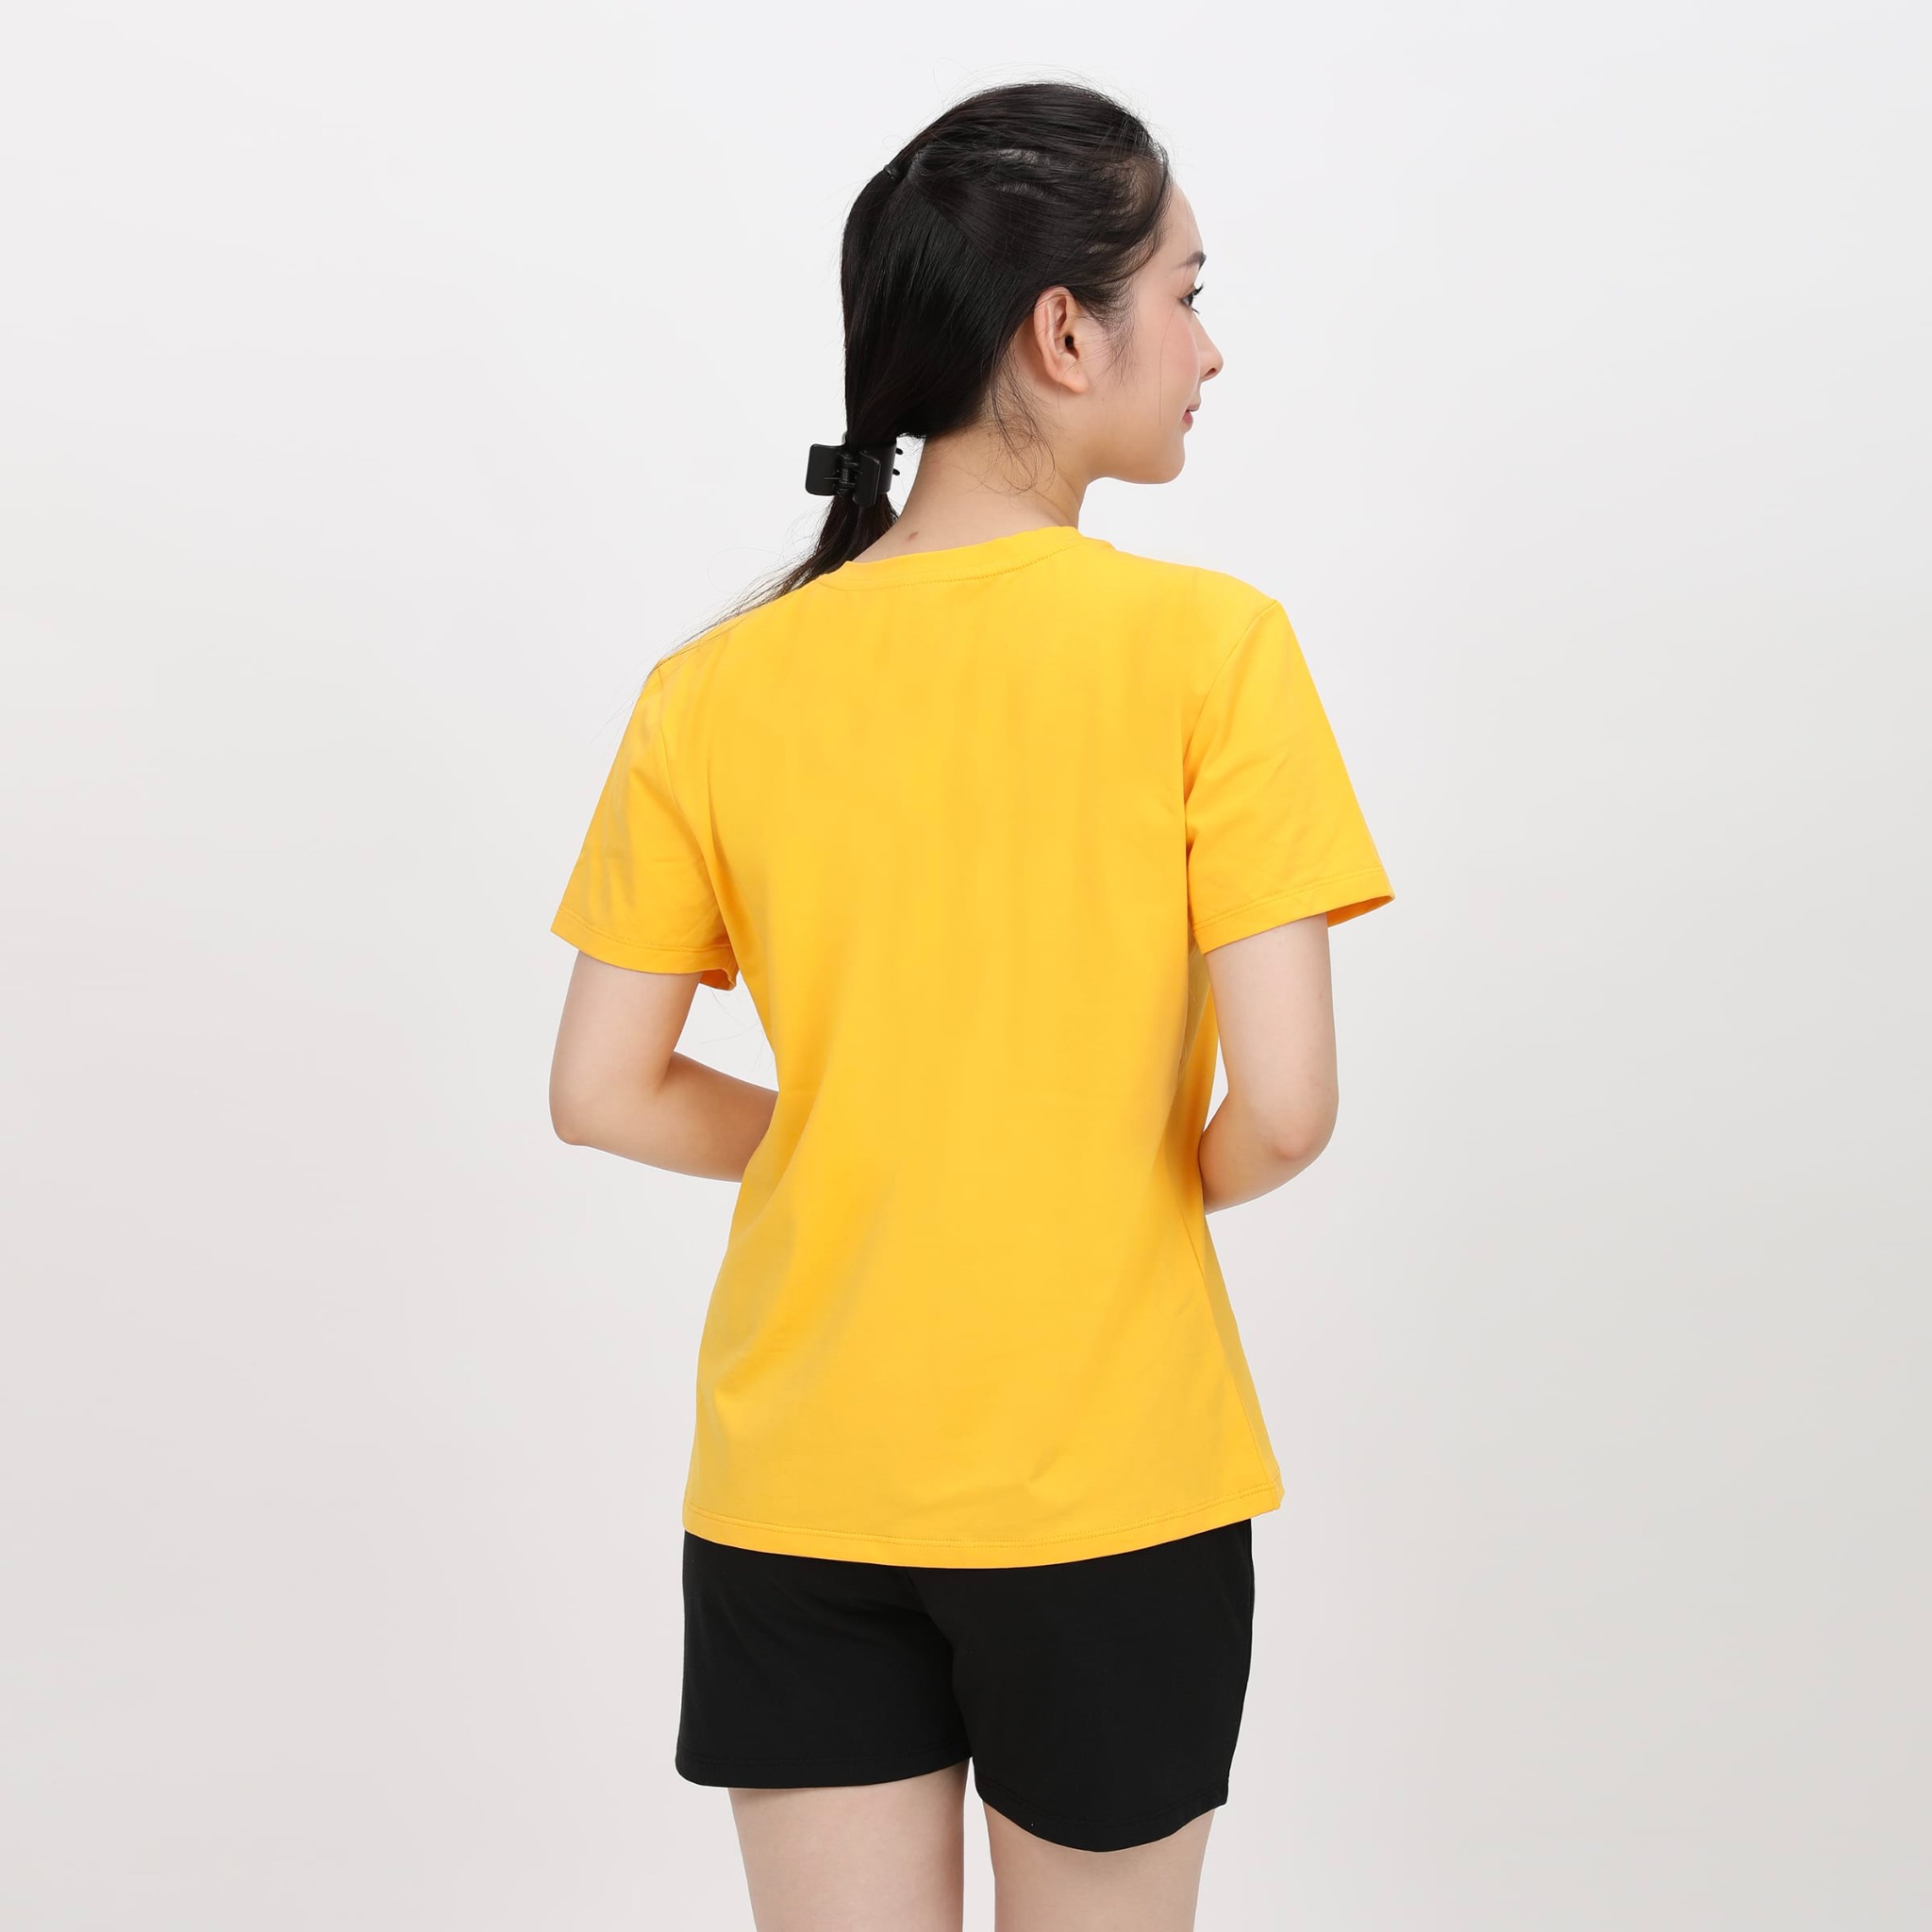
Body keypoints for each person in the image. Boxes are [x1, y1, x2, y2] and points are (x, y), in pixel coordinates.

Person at [546, 79, 1394, 1932]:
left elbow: (602, 1088)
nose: (1209, 348)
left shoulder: (716, 686)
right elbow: (1287, 1105)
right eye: (1187, 294)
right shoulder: (1210, 650)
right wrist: (1128, 1180)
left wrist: (865, 1142)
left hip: (794, 1482)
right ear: (1064, 332)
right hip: (1104, 1476)